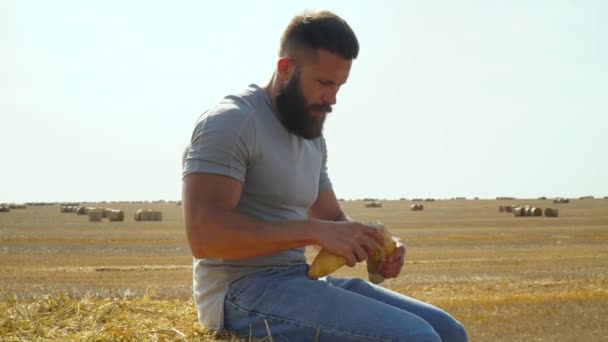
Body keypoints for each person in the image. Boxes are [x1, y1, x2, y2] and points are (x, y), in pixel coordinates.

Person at [182, 10, 468, 342]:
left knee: (449, 331)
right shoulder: (232, 122)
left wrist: (374, 249)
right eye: (324, 83)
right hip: (240, 291)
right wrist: (314, 232)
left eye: (340, 85)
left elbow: (331, 218)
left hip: (298, 279)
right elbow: (204, 236)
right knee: (416, 337)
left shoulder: (311, 136)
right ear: (286, 69)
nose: (332, 98)